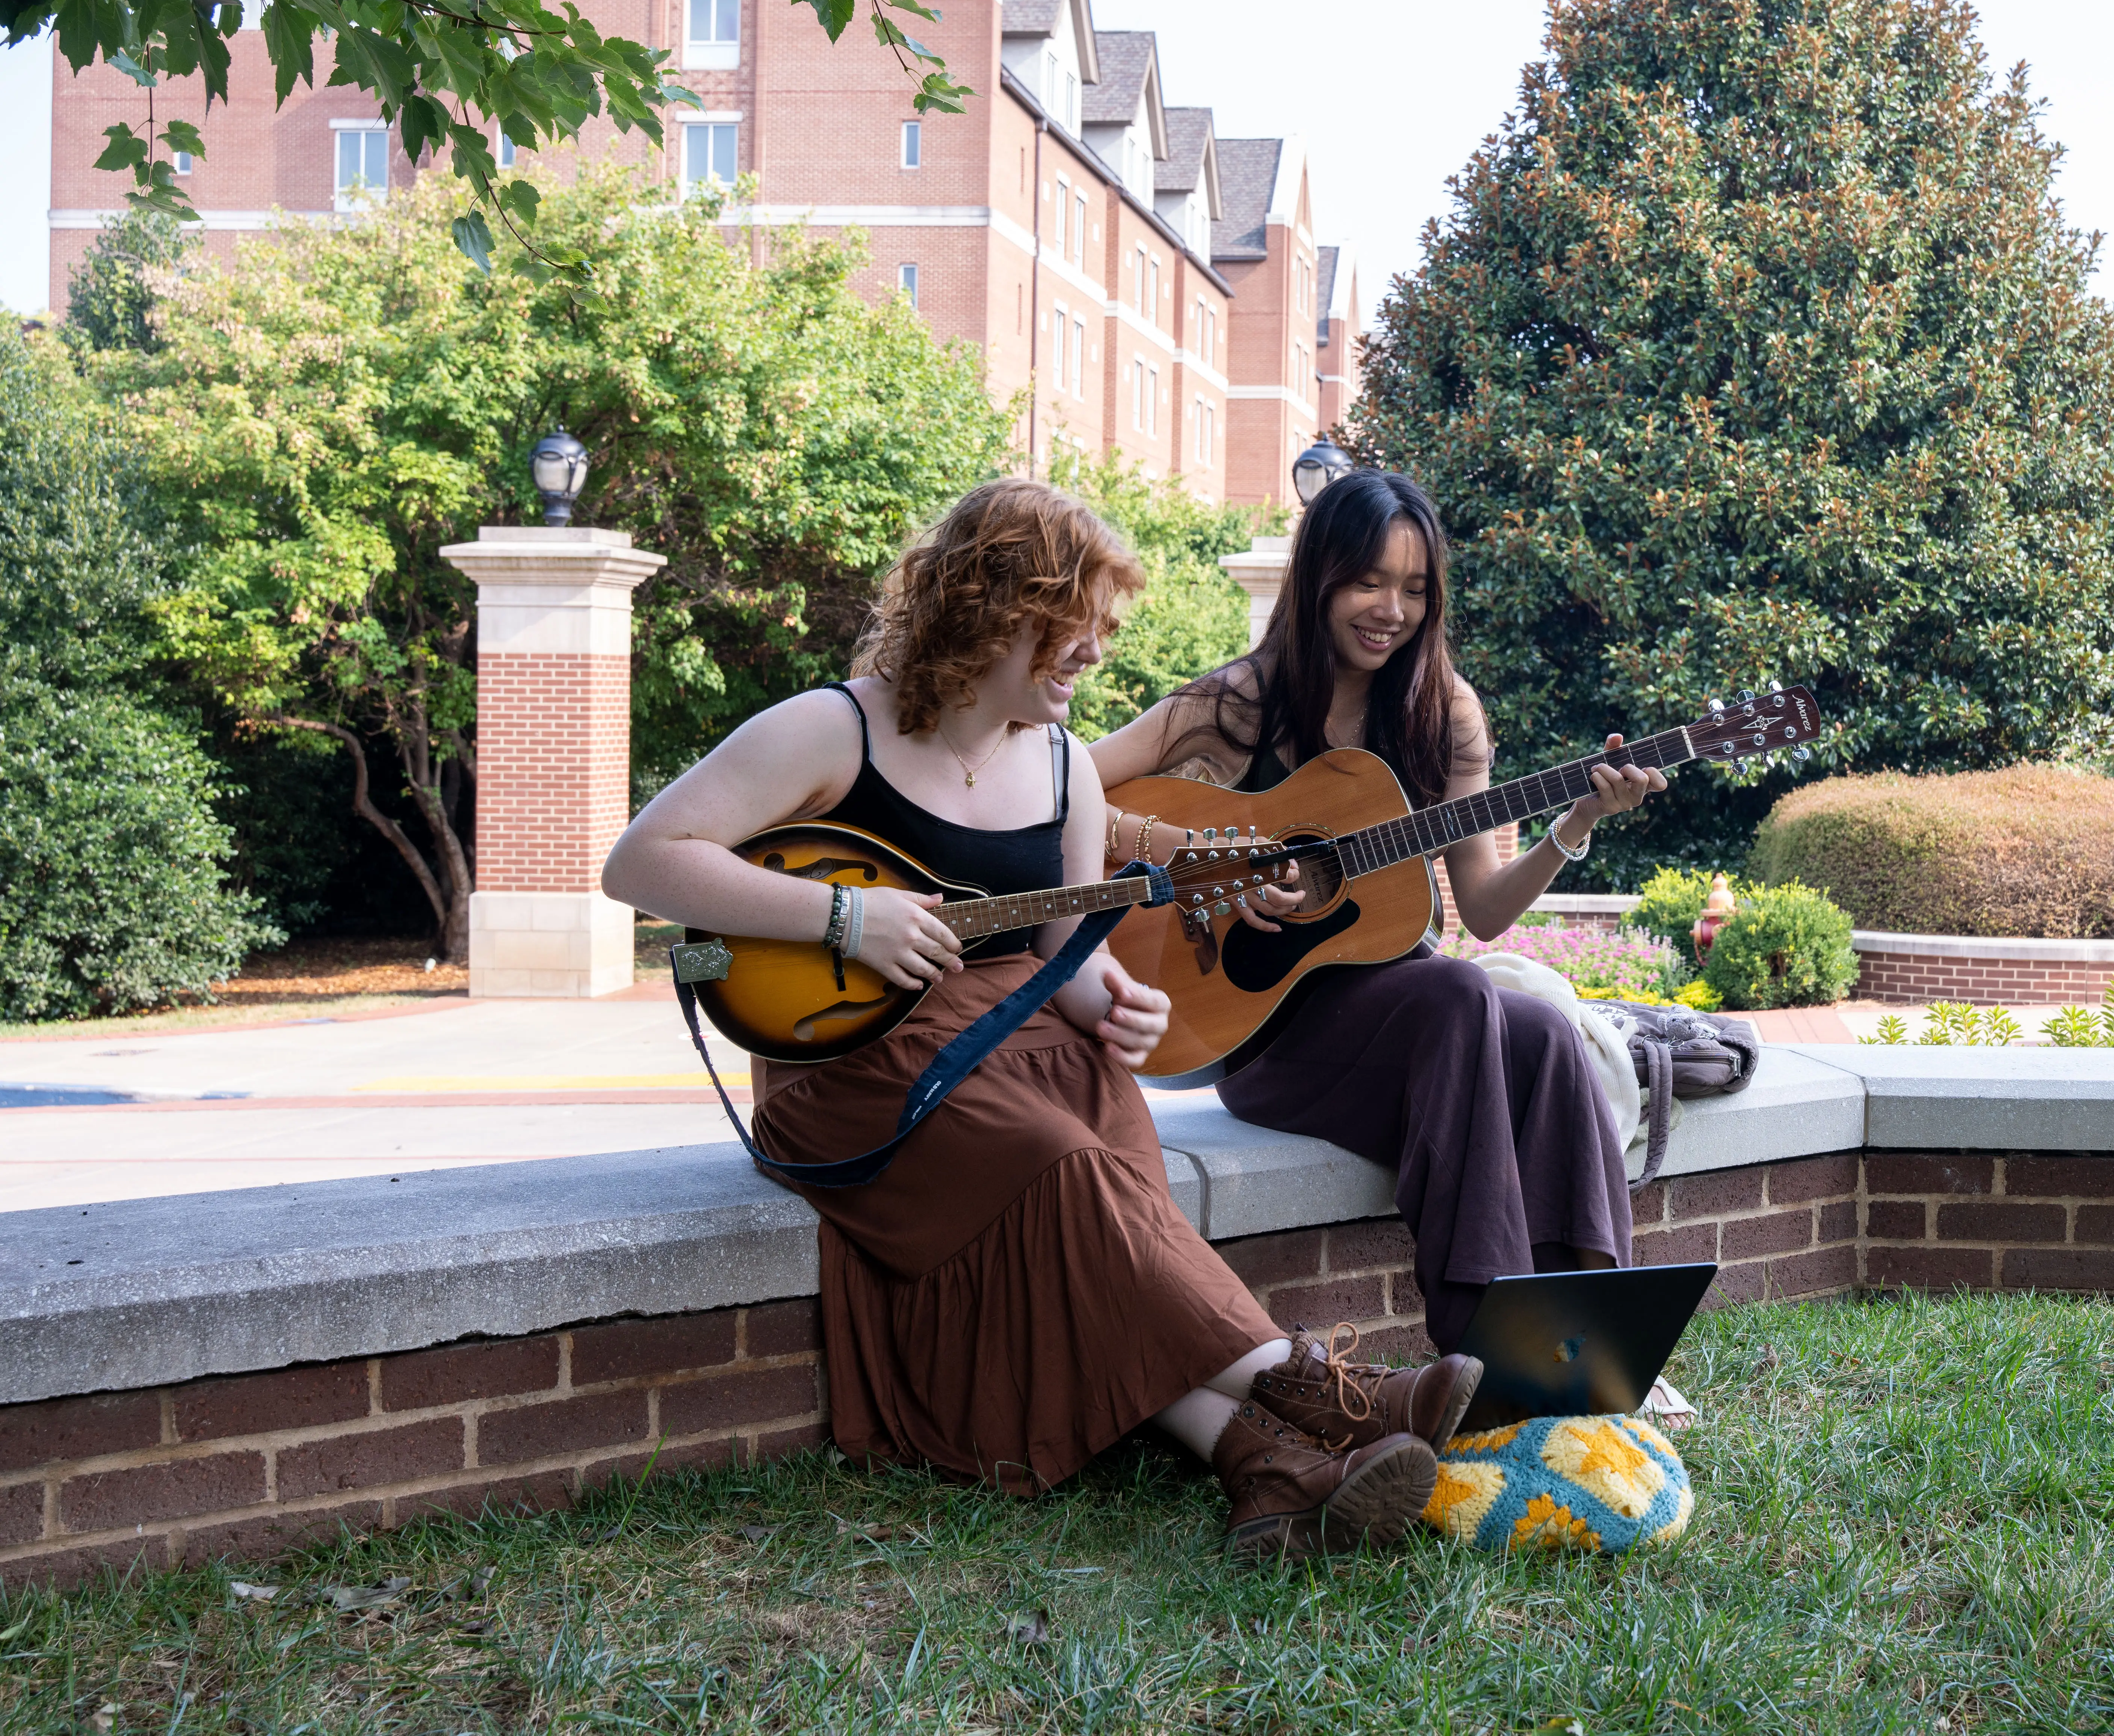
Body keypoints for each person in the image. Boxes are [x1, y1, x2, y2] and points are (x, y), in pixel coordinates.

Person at [603, 476, 1481, 1561]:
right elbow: (640, 862)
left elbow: (1065, 952)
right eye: (1078, 627)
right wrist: (843, 916)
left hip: (1019, 1040)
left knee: (1103, 1167)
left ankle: (1270, 1469)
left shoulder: (1063, 763)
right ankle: (1337, 1394)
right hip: (863, 1063)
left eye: (1104, 632)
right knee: (1066, 1168)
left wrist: (1110, 995)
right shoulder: (837, 727)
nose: (1096, 656)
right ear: (993, 606)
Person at [1088, 467, 1666, 1359]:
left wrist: (1578, 821)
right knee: (1460, 999)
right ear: (1319, 576)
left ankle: (1591, 1343)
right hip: (1271, 1037)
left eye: (1414, 588)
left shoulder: (1445, 714)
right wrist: (1198, 853)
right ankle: (1484, 1349)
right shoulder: (1233, 704)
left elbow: (1484, 911)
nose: (1389, 609)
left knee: (1547, 1032)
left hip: (1418, 1030)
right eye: (1367, 580)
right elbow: (1060, 788)